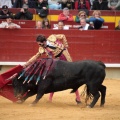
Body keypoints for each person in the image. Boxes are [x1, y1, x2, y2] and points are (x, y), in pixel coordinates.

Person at [23, 34, 81, 103]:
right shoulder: (42, 49)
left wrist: (65, 45)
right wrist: (26, 64)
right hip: (58, 61)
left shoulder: (52, 38)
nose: (40, 46)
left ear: (44, 42)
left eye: (40, 44)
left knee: (72, 77)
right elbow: (36, 56)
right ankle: (50, 99)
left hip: (66, 56)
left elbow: (62, 36)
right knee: (54, 79)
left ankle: (78, 98)